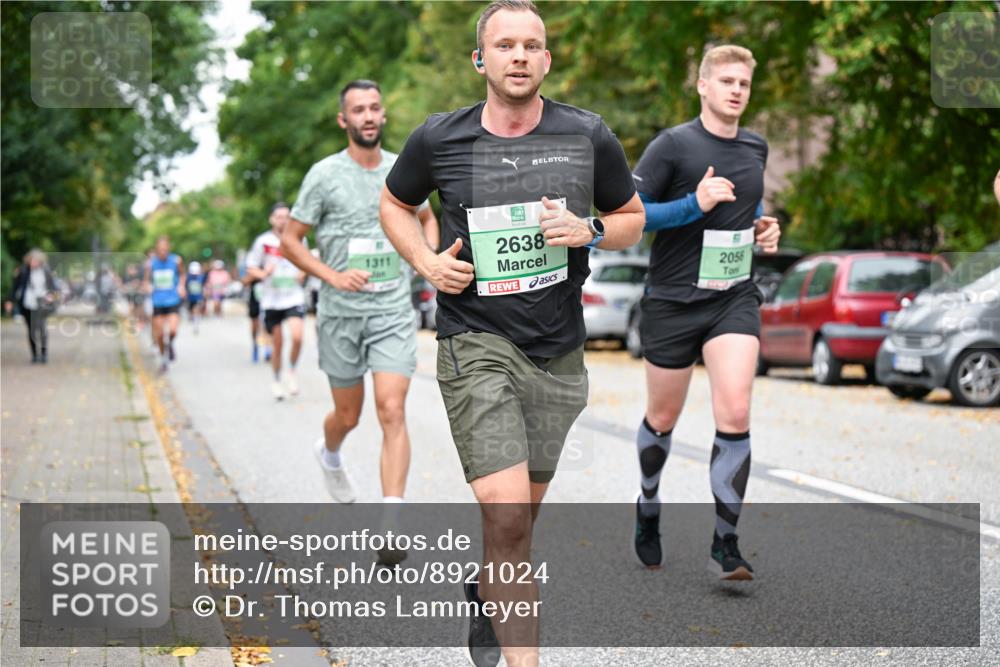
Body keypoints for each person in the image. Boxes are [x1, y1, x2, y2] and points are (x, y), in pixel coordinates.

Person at [379, 2, 644, 665]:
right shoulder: (439, 139)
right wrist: (425, 261)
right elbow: (394, 202)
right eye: (505, 45)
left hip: (557, 352)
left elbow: (632, 214)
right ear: (481, 60)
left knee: (517, 525)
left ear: (547, 60)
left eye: (532, 45)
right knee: (503, 517)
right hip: (475, 342)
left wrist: (592, 231)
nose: (519, 55)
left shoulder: (588, 135)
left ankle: (487, 588)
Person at [629, 44, 781, 580]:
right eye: (727, 81)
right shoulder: (671, 146)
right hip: (671, 301)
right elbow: (633, 216)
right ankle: (648, 505)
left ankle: (726, 541)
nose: (737, 89)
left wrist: (764, 225)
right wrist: (696, 202)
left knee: (735, 412)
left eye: (744, 82)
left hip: (732, 297)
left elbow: (749, 204)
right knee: (663, 417)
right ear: (703, 86)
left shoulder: (756, 147)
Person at [282, 79, 439, 562]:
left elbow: (427, 218)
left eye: (374, 108)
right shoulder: (324, 175)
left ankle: (391, 526)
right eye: (358, 110)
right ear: (343, 120)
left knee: (391, 409)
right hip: (340, 314)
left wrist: (423, 260)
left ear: (383, 115)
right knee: (347, 416)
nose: (367, 116)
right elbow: (291, 239)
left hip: (392, 310)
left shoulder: (401, 168)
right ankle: (328, 452)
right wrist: (331, 275)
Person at [247, 203, 308, 400]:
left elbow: (307, 262)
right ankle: (276, 379)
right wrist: (264, 273)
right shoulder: (262, 242)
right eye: (279, 216)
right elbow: (251, 268)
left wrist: (302, 273)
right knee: (278, 344)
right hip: (271, 300)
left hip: (293, 296)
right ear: (272, 219)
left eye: (286, 216)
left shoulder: (298, 238)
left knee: (298, 336)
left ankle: (291, 371)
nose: (283, 220)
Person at [7, 249, 58, 363]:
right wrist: (10, 300)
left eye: (35, 260)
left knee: (42, 328)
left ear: (40, 261)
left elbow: (53, 288)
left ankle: (44, 354)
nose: (33, 263)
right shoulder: (23, 271)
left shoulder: (46, 271)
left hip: (42, 303)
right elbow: (15, 287)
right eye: (31, 260)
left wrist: (50, 296)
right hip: (27, 303)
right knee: (31, 330)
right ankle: (35, 355)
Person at [143, 236, 186, 373]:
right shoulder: (151, 263)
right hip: (158, 301)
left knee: (173, 330)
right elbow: (146, 280)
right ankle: (164, 359)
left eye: (165, 249)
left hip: (173, 300)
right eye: (161, 250)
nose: (163, 252)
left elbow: (182, 275)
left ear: (168, 249)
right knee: (160, 335)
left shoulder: (176, 260)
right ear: (157, 249)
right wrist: (148, 286)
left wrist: (181, 286)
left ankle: (170, 344)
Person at [185, 261, 206, 334]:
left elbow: (204, 285)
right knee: (191, 312)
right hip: (190, 298)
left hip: (198, 297)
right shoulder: (187, 277)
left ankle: (196, 325)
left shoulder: (201, 277)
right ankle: (194, 320)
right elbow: (185, 286)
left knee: (196, 310)